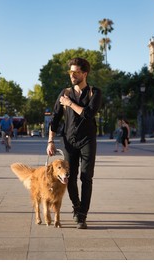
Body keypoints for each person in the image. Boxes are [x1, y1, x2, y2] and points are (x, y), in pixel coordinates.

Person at [46, 57, 102, 229]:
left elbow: (88, 115)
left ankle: (82, 215)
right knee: (68, 178)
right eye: (71, 72)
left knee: (86, 177)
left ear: (84, 73)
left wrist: (69, 104)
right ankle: (76, 206)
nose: (72, 75)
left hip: (88, 141)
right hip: (69, 141)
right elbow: (55, 118)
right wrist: (50, 141)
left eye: (76, 72)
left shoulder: (95, 93)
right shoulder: (64, 93)